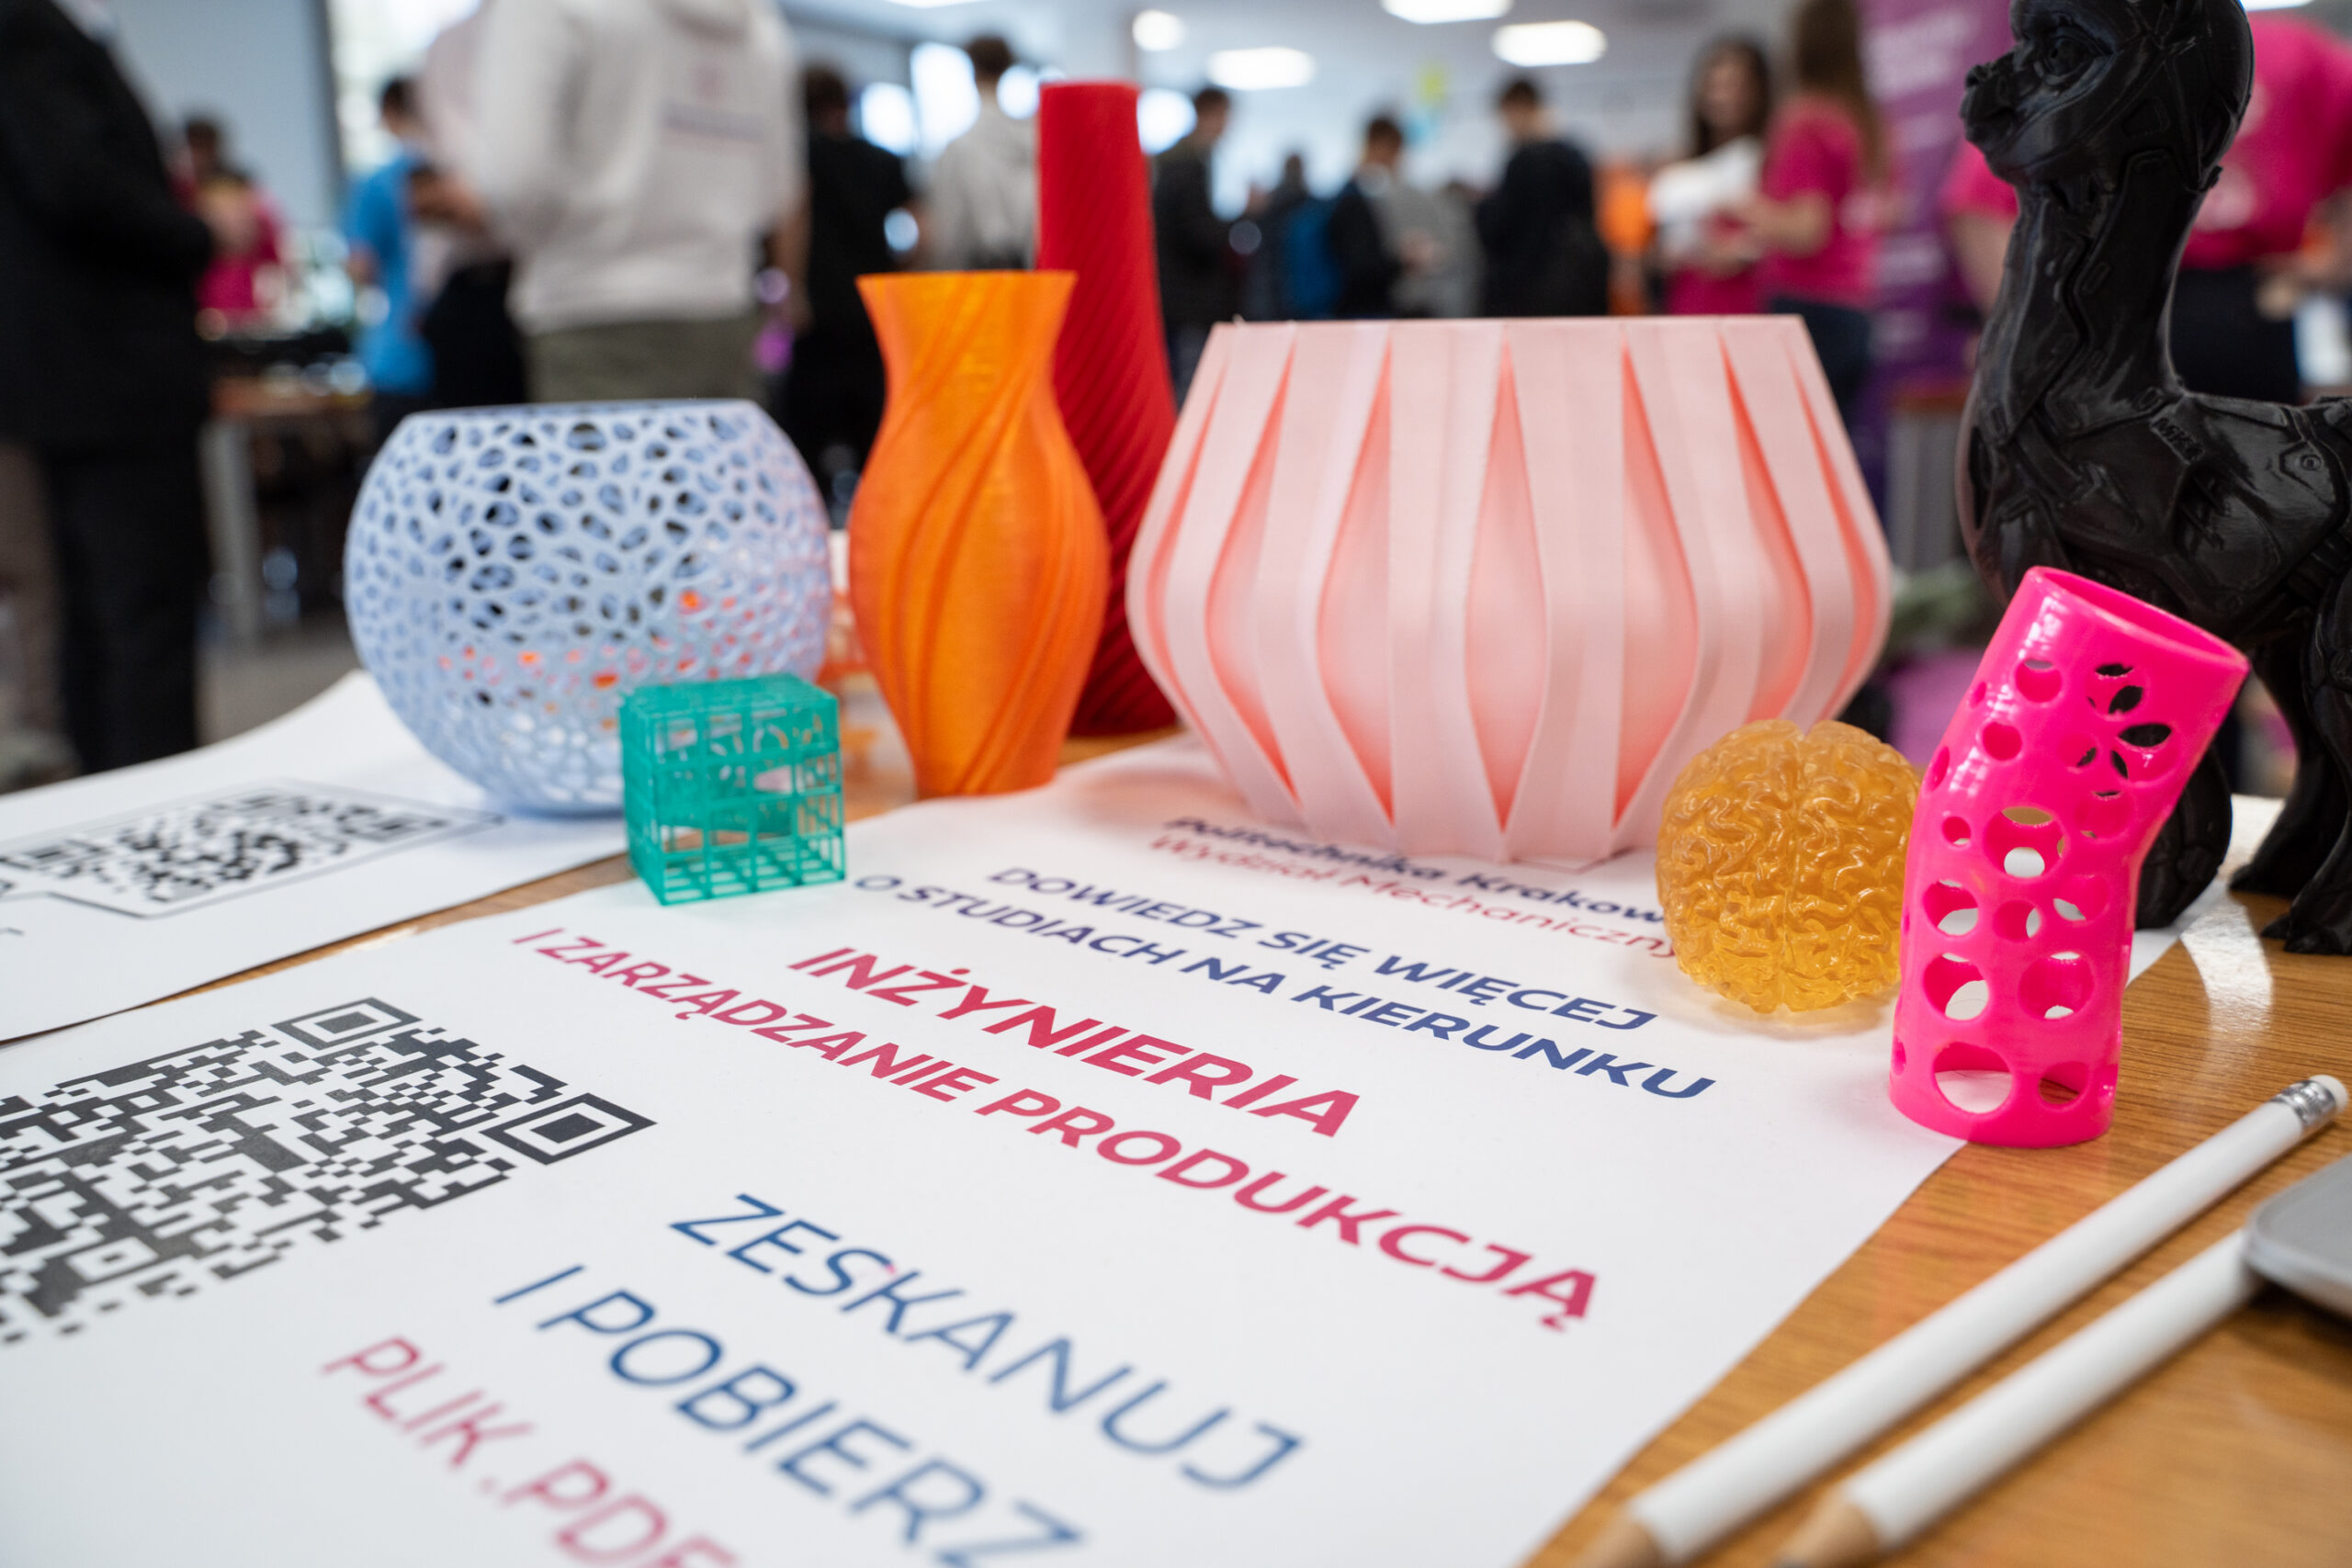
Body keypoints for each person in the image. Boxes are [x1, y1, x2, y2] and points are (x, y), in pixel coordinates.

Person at [0, 0, 216, 772]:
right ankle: (157, 805)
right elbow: (77, 181)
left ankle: (115, 795)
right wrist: (197, 235)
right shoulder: (29, 30)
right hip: (110, 375)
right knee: (140, 615)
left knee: (98, 617)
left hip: (71, 380)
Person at [1940, 13, 2352, 403]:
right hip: (2126, 317)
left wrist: (2327, 267)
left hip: (2248, 316)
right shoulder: (2077, 62)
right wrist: (2035, 332)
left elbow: (1976, 203)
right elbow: (1978, 202)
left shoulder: (2294, 54)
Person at [473, 0, 807, 403]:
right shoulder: (763, 24)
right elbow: (778, 191)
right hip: (725, 314)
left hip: (590, 313)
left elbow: (518, 179)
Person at [1736, 0, 1887, 427]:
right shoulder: (1865, 123)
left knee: (1796, 445)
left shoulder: (1805, 122)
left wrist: (1743, 207)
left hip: (1809, 306)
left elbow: (1807, 229)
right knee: (1837, 440)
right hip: (1855, 304)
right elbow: (1886, 209)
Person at [782, 63, 910, 514]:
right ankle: (881, 516)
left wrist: (792, 288)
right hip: (873, 309)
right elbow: (923, 226)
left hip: (819, 312)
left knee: (810, 427)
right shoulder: (882, 158)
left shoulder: (800, 157)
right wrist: (895, 274)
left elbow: (793, 219)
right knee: (875, 425)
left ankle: (815, 518)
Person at [412, 0, 529, 410]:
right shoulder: (448, 46)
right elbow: (435, 180)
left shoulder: (569, 25)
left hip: (544, 281)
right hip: (472, 286)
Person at [1651, 35, 1773, 317]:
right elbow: (1662, 248)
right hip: (1691, 302)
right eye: (1714, 86)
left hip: (1749, 305)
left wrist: (1741, 249)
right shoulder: (1682, 167)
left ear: (1758, 91)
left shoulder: (1772, 159)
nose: (1722, 97)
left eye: (1734, 86)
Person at [345, 78, 435, 440]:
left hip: (403, 356)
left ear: (388, 114)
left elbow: (361, 267)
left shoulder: (378, 183)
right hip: (472, 347)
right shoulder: (457, 173)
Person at [1475, 77, 1608, 318]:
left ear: (1518, 109)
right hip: (1576, 287)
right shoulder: (1573, 157)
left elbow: (1501, 226)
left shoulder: (1524, 162)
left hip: (1529, 290)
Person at [923, 35, 1032, 272]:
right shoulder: (1032, 139)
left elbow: (949, 234)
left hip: (981, 274)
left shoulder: (960, 147)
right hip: (1033, 272)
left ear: (972, 72)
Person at [1155, 86, 1235, 400]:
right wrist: (1240, 220)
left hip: (1176, 294)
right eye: (1224, 116)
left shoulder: (1173, 159)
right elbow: (1199, 235)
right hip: (1189, 297)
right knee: (1191, 389)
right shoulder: (1188, 164)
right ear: (1209, 113)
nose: (1226, 125)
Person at [184, 114, 282, 330]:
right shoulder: (183, 196)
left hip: (251, 322)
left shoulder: (249, 197)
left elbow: (276, 268)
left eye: (239, 213)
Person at [1329, 116, 1407, 319]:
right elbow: (1363, 267)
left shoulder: (1352, 194)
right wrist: (1402, 261)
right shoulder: (1353, 200)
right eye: (1397, 150)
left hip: (1356, 311)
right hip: (1361, 315)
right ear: (1382, 145)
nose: (1400, 159)